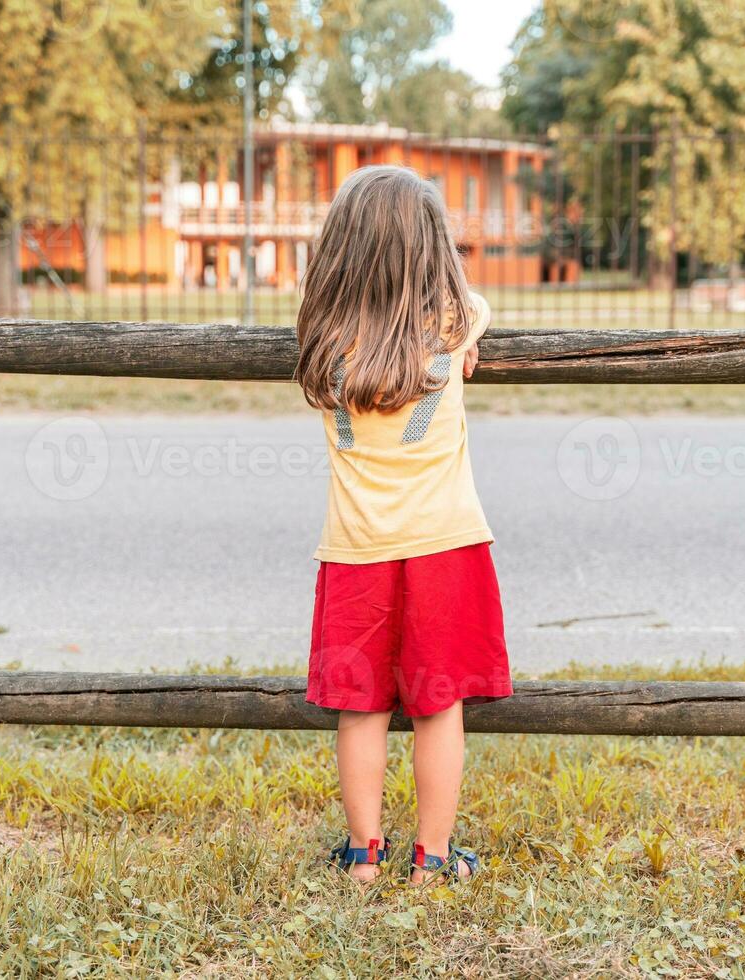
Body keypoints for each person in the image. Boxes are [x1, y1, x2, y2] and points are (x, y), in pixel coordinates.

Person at [295, 165, 512, 885]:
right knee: (437, 707)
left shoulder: (322, 340)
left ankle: (362, 856)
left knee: (359, 709)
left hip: (355, 550)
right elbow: (473, 304)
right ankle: (433, 860)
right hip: (444, 546)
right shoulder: (454, 331)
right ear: (430, 252)